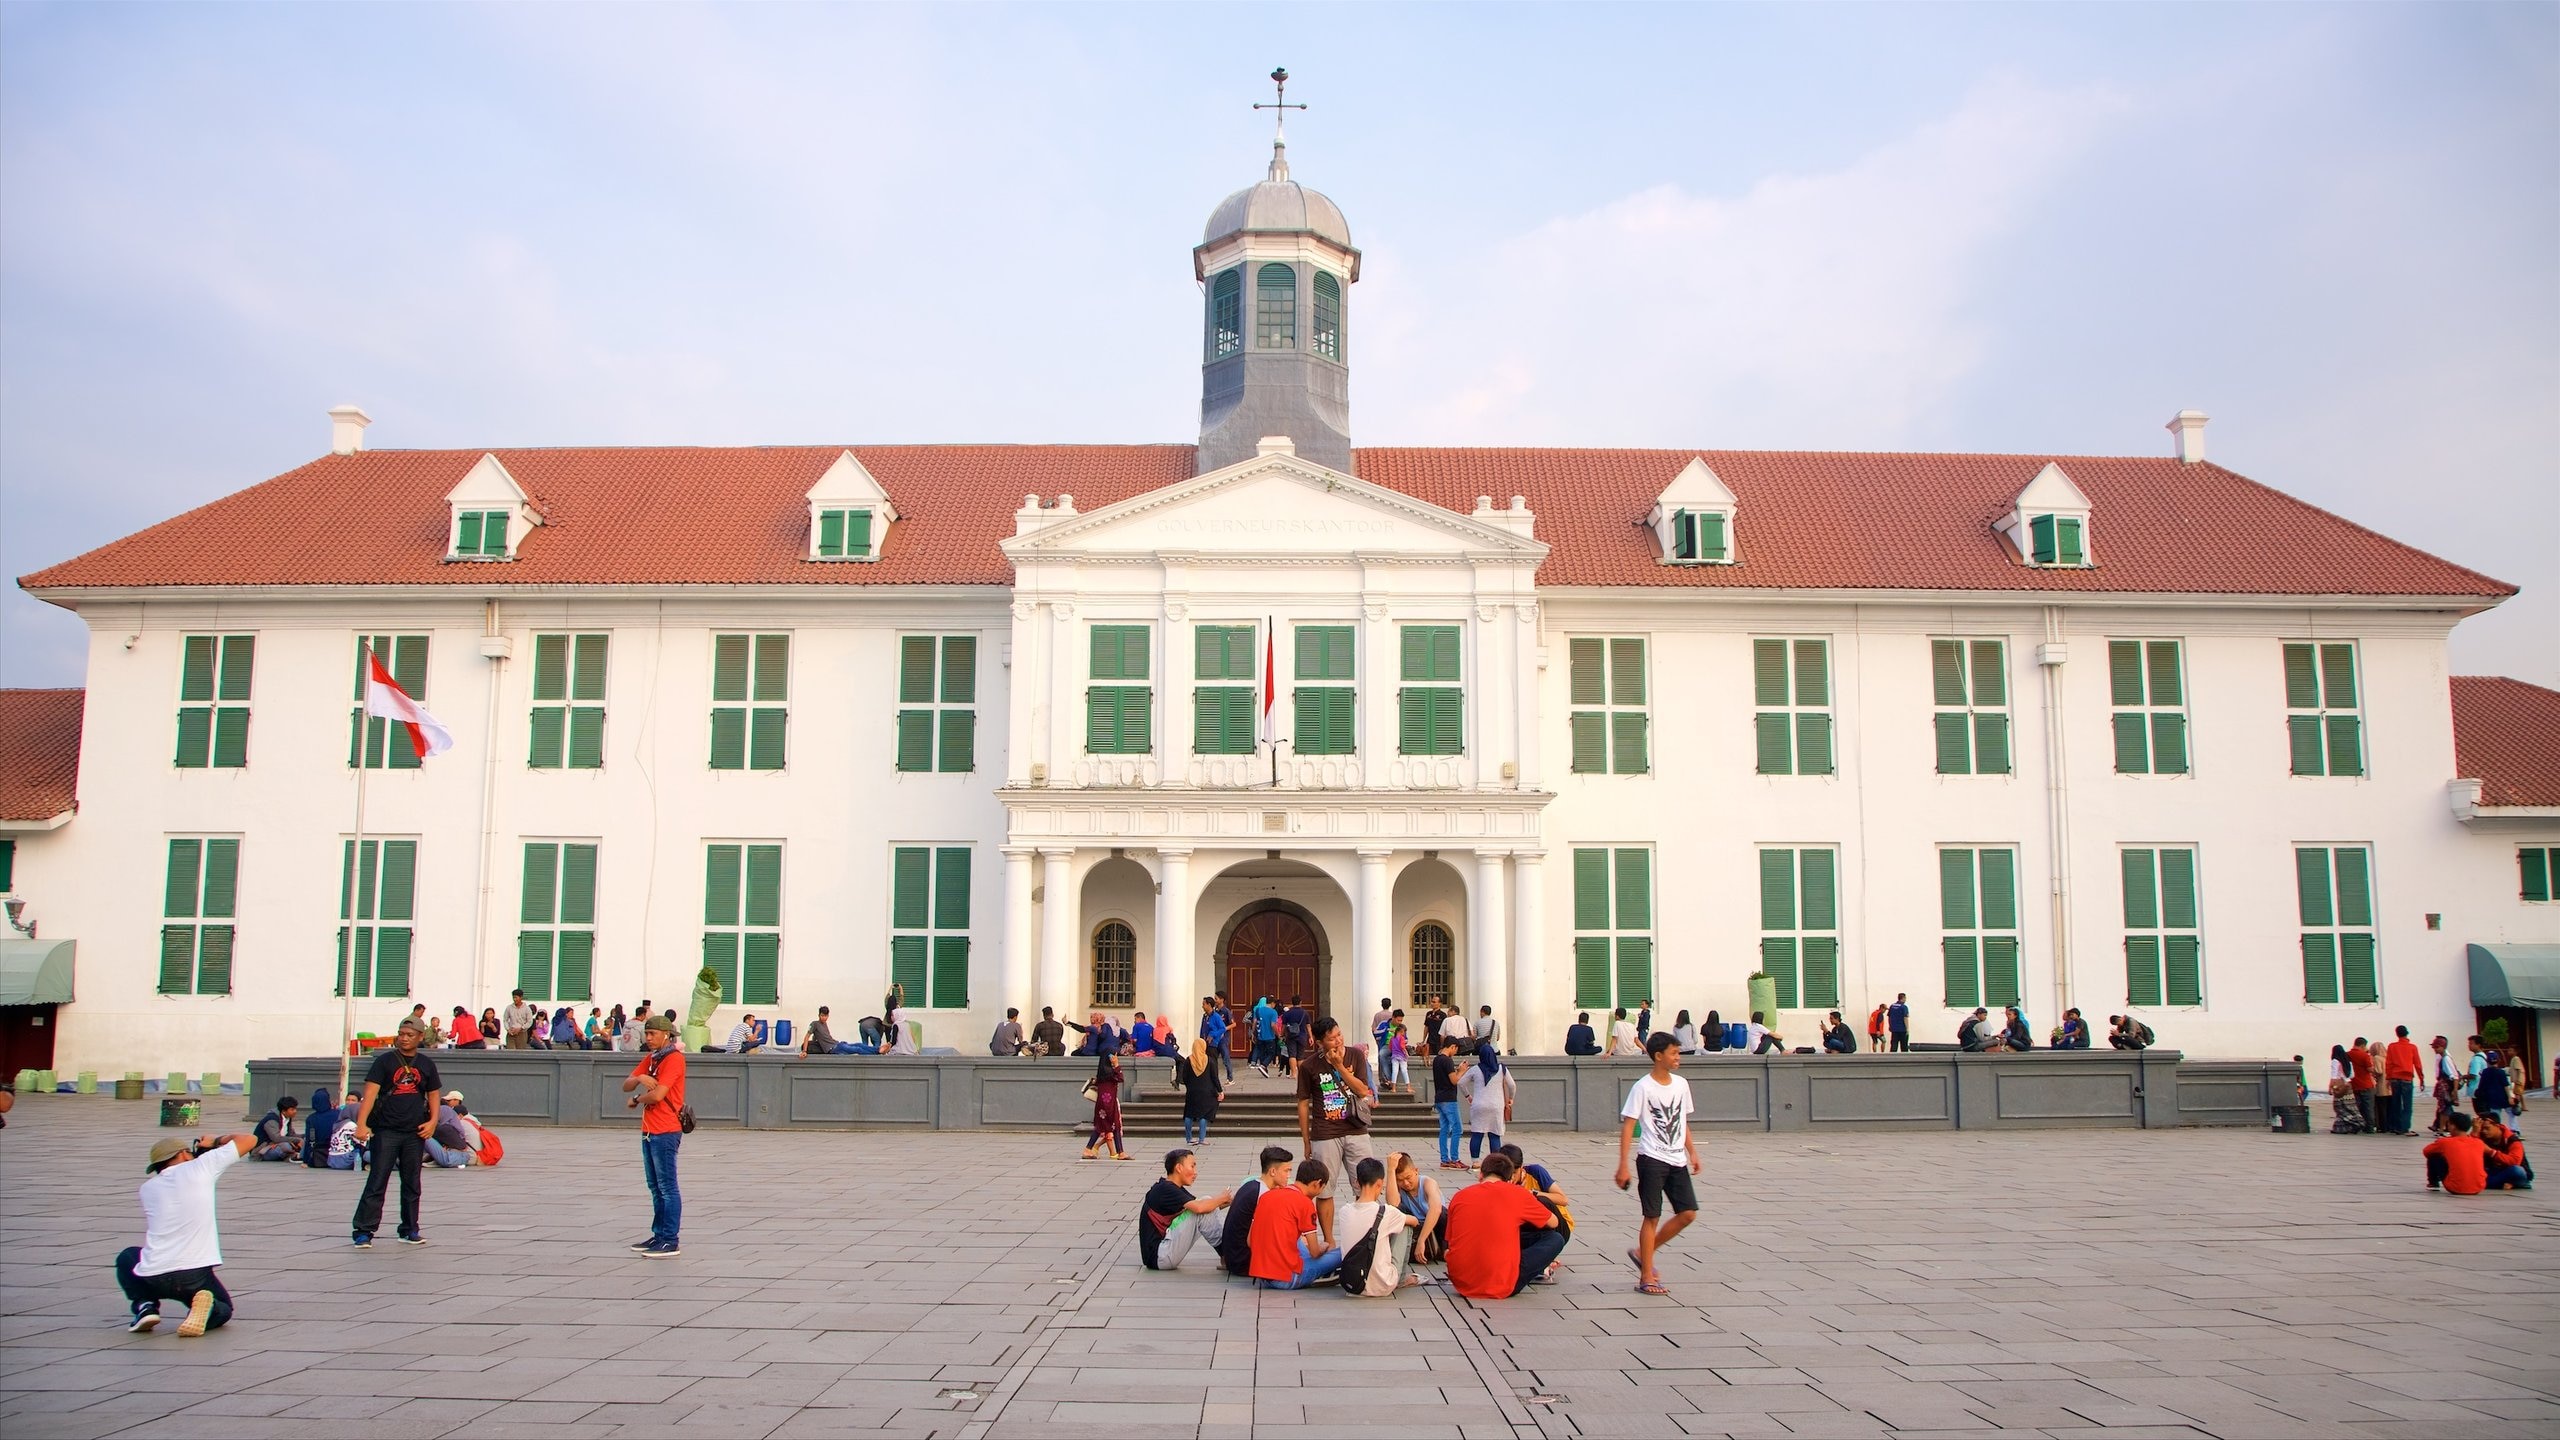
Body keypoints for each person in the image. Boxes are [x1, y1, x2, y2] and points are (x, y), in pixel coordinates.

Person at [117, 1130, 258, 1336]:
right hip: (194, 1276)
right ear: (183, 1154)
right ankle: (205, 1310)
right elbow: (249, 1139)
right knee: (224, 1308)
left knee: (127, 1256)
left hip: (153, 1273)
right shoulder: (201, 1167)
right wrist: (215, 1142)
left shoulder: (147, 1188)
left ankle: (145, 1306)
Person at [1616, 1031, 1702, 1296]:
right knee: (1651, 1216)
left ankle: (1645, 1252)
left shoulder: (1681, 1085)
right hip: (1651, 1158)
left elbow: (1682, 1121)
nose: (1678, 1058)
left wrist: (1692, 1152)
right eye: (1674, 1053)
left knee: (1688, 1213)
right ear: (1658, 1056)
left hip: (1677, 1159)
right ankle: (1646, 1277)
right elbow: (1629, 1125)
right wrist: (1623, 1165)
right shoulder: (1643, 1087)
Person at [348, 1018, 441, 1247]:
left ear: (420, 1037)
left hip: (414, 1132)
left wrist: (432, 1122)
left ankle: (409, 1228)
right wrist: (362, 1124)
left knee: (412, 1182)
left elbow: (434, 1094)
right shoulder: (385, 1062)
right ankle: (364, 1230)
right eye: (401, 1034)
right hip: (386, 1130)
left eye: (410, 1034)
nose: (404, 1038)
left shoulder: (427, 1064)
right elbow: (369, 1094)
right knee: (378, 1179)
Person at [1444, 1153, 1566, 1299]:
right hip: (1502, 1284)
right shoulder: (1517, 1193)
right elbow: (1554, 1222)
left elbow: (1449, 1243)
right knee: (1555, 1239)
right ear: (1509, 1180)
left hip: (1461, 1282)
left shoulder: (1460, 1196)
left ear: (1481, 1175)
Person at [1298, 1017, 1377, 1228]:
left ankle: (1366, 1235)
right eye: (1332, 1039)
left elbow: (1362, 1091)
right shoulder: (1309, 1066)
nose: (1338, 1041)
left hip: (1356, 1130)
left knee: (1366, 1186)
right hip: (1325, 1132)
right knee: (1324, 1189)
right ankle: (1330, 1240)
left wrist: (1340, 1067)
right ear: (1319, 1042)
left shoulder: (1356, 1055)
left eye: (1339, 1035)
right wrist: (1306, 1140)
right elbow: (1303, 1104)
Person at [622, 1013, 687, 1256]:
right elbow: (626, 1084)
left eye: (652, 1034)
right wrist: (640, 1077)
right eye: (647, 1033)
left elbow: (658, 1095)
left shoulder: (674, 1059)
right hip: (649, 1129)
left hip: (666, 1129)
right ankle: (659, 1235)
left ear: (666, 1035)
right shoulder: (651, 1059)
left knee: (667, 1186)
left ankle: (670, 1238)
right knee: (655, 1186)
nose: (648, 1038)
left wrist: (638, 1098)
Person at [1248, 1158, 1341, 1290]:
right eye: (1322, 1188)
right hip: (1288, 1278)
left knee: (1293, 1238)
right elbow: (1315, 1252)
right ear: (1317, 1183)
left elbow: (1250, 1241)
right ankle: (1318, 1273)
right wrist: (1324, 1246)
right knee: (1345, 1252)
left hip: (1263, 1277)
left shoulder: (1266, 1196)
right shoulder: (1305, 1203)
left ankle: (1317, 1271)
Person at [1333, 1156, 1422, 1294]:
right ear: (1380, 1184)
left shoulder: (1344, 1211)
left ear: (1356, 1182)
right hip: (1383, 1285)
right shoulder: (1386, 1212)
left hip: (1353, 1283)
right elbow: (1415, 1221)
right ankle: (1401, 1279)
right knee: (1405, 1226)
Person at [1139, 1148, 1234, 1271]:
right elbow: (1200, 1208)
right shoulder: (1165, 1189)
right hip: (1160, 1256)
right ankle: (1230, 1255)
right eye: (1192, 1166)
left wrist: (1232, 1200)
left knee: (1204, 1203)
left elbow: (1208, 1207)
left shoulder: (1172, 1188)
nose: (1195, 1172)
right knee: (1201, 1207)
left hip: (1163, 1254)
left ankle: (1229, 1254)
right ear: (1179, 1168)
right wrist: (1221, 1198)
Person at [1216, 1146, 1296, 1279]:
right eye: (1286, 1171)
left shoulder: (1251, 1185)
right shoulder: (1263, 1195)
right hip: (1244, 1262)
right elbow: (1255, 1239)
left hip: (1234, 1258)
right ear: (1272, 1171)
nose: (1289, 1176)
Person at [2423, 1112, 2528, 1194]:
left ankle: (2433, 1183)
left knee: (2518, 1171)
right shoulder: (2478, 1140)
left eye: (2487, 1128)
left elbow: (2515, 1161)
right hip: (2484, 1179)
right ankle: (2502, 1184)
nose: (2484, 1132)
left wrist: (2491, 1152)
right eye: (2482, 1129)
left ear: (2498, 1126)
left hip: (2506, 1171)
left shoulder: (2512, 1140)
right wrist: (2476, 1132)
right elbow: (2469, 1149)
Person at [1457, 1041, 1515, 1160]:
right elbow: (1512, 1085)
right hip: (1496, 1106)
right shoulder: (1501, 1069)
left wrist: (1468, 1096)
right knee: (1494, 1135)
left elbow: (1461, 1083)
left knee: (1477, 1135)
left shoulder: (1475, 1069)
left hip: (1479, 1105)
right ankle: (1495, 1162)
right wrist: (1510, 1099)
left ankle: (1475, 1162)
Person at [1390, 1150, 1447, 1264]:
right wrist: (1390, 1170)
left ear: (1416, 1171)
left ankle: (1445, 1250)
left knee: (1443, 1213)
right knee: (1395, 1210)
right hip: (1416, 1226)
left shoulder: (1428, 1183)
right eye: (1400, 1180)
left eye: (1408, 1177)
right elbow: (1392, 1204)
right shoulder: (1399, 1187)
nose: (1406, 1183)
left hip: (1436, 1226)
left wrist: (1421, 1240)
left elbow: (1436, 1209)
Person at [1081, 1051, 1129, 1161]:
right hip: (1109, 1105)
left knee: (1102, 1127)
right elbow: (1121, 1078)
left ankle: (1119, 1151)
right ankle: (1118, 1152)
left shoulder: (1102, 1074)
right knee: (1111, 1126)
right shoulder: (1110, 1074)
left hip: (1102, 1104)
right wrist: (1116, 1064)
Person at [1176, 1037, 1224, 1145]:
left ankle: (1189, 1138)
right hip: (1207, 1092)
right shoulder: (1209, 1060)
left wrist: (1190, 1086)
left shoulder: (1189, 1060)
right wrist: (1220, 1091)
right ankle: (1202, 1139)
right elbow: (1214, 1077)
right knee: (1204, 1114)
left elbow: (1184, 1077)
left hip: (1192, 1091)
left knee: (1189, 1114)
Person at [1431, 1034, 1465, 1170]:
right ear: (1452, 1047)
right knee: (1457, 1128)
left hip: (1439, 1097)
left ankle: (1444, 1159)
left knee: (1444, 1129)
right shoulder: (1447, 1061)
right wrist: (1461, 1071)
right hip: (1449, 1099)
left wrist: (1456, 1071)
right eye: (1456, 1049)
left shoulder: (1437, 1059)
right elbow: (1454, 1080)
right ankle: (1455, 1158)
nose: (1455, 1052)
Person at [2380, 1026, 2422, 1135]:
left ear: (2397, 1034)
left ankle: (2396, 1127)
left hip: (2394, 1078)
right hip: (2407, 1078)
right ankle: (2405, 1128)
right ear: (2407, 1034)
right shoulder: (2412, 1047)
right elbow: (2417, 1064)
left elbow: (2388, 1064)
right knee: (2407, 1105)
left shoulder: (2392, 1047)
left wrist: (2388, 1078)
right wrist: (2421, 1079)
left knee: (2396, 1104)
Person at [2428, 1035, 2462, 1135]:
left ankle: (2446, 1129)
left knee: (2445, 1109)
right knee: (2443, 1108)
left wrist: (2454, 1091)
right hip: (2443, 1086)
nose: (2434, 1049)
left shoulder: (2446, 1059)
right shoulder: (2442, 1057)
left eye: (2436, 1047)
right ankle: (2443, 1129)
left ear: (2443, 1047)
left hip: (2446, 1087)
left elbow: (2454, 1076)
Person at [2474, 1042, 2514, 1126]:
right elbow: (2506, 1085)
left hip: (2490, 1099)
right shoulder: (2501, 1072)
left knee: (2495, 1116)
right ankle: (2514, 1129)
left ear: (2487, 1061)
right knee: (2512, 1113)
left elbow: (2481, 1086)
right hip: (2502, 1098)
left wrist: (2478, 1094)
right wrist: (2510, 1097)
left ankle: (2496, 1129)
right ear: (2498, 1060)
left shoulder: (2485, 1072)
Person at [2344, 1037, 2379, 1133]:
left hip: (2354, 1084)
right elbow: (2370, 1069)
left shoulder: (2347, 1055)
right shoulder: (2364, 1056)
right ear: (2363, 1045)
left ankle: (2357, 1125)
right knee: (2368, 1107)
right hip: (2366, 1084)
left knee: (2356, 1107)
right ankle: (2369, 1127)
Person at [1200, 997, 1231, 1079]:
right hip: (1204, 1043)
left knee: (1212, 1064)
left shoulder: (1216, 1016)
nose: (1202, 1006)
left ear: (1209, 1005)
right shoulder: (1205, 1016)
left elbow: (1223, 1028)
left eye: (1204, 1004)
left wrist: (1213, 1034)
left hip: (1212, 1044)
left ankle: (1215, 1082)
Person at [1250, 996, 1280, 1076]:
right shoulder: (1273, 1012)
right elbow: (1273, 1025)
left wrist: (1253, 1033)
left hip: (1260, 1035)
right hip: (1270, 1036)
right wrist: (1278, 1034)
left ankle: (1264, 1068)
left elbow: (1255, 1021)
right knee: (1271, 1053)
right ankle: (1263, 1065)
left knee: (1262, 1052)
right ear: (1272, 1003)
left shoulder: (1258, 1010)